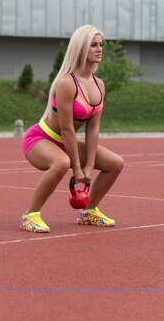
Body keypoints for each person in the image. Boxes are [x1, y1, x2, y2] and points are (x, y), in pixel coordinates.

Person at [20, 24, 124, 233]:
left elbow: (93, 128)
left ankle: (89, 211)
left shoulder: (99, 84)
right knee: (62, 163)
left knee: (115, 163)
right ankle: (30, 215)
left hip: (65, 142)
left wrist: (89, 166)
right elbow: (67, 129)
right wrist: (77, 169)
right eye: (93, 45)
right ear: (80, 49)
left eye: (100, 45)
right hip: (40, 139)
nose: (99, 49)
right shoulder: (66, 83)